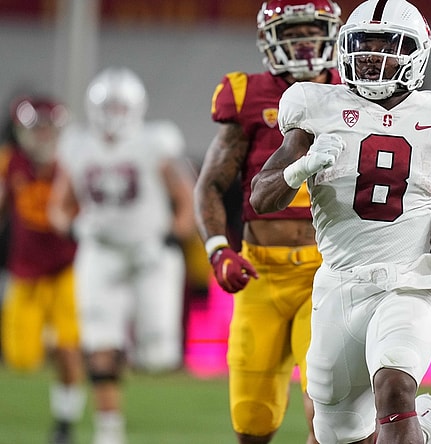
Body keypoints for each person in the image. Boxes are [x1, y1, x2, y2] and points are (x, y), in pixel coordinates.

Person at [249, 1, 431, 443]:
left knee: (395, 388)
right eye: (363, 45)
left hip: (406, 282)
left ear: (416, 53)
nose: (372, 56)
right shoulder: (316, 106)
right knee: (339, 435)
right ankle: (423, 433)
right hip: (338, 285)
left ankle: (413, 421)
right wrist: (297, 171)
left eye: (386, 46)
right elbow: (262, 197)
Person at [193, 1, 343, 442]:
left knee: (327, 409)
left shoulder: (352, 93)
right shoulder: (248, 94)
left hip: (326, 273)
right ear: (270, 38)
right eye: (292, 32)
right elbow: (210, 183)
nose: (301, 42)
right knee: (251, 421)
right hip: (260, 272)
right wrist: (219, 248)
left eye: (310, 31)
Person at [48, 66, 195, 444]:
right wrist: (71, 225)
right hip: (101, 254)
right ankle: (108, 434)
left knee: (158, 356)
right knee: (100, 345)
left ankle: (130, 352)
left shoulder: (154, 142)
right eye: (107, 106)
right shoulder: (78, 145)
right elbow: (59, 205)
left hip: (150, 255)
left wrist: (172, 237)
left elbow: (185, 199)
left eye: (120, 105)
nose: (113, 114)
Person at [0, 95, 86, 444]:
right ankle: (49, 342)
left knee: (68, 349)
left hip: (66, 270)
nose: (44, 137)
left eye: (50, 129)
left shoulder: (73, 165)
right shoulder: (10, 164)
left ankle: (64, 423)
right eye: (38, 130)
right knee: (21, 358)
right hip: (24, 272)